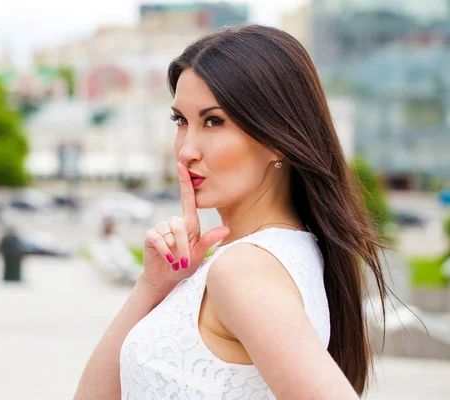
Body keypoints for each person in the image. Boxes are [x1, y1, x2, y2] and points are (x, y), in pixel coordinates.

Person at [75, 25, 387, 399]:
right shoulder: (282, 255)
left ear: (278, 139)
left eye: (213, 121)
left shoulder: (242, 270)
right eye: (181, 121)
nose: (186, 149)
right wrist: (153, 286)